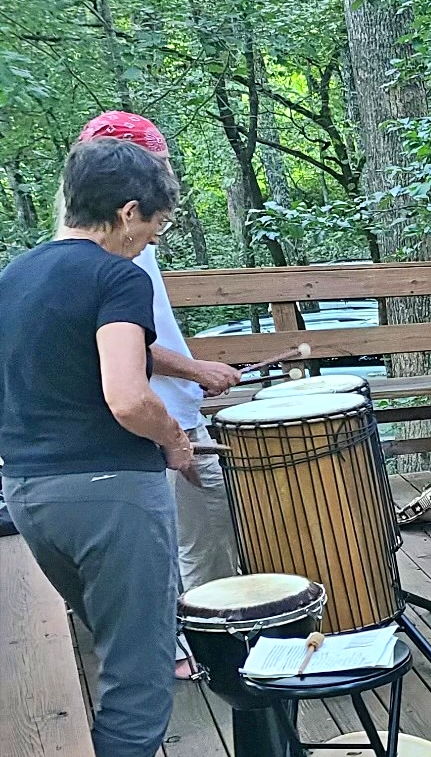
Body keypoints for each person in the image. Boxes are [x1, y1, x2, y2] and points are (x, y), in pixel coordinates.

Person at [0, 136, 189, 757]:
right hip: (111, 496)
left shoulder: (14, 275)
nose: (152, 241)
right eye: (154, 226)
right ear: (128, 212)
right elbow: (129, 398)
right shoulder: (118, 276)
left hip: (28, 495)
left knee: (113, 641)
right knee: (138, 673)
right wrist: (175, 439)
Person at [71, 112, 244, 681]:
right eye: (157, 165)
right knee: (176, 536)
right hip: (154, 416)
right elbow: (120, 351)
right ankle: (188, 643)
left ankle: (207, 631)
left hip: (174, 408)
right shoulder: (115, 246)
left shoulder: (125, 237)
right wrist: (195, 369)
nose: (164, 176)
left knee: (204, 527)